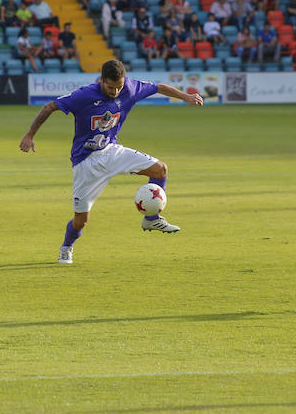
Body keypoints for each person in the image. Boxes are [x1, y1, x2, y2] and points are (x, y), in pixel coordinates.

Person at [19, 60, 203, 264]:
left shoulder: (130, 88)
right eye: (110, 87)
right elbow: (49, 107)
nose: (116, 91)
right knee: (81, 222)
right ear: (102, 80)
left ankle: (151, 219)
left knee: (160, 169)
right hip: (85, 162)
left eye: (119, 87)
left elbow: (158, 87)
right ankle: (66, 247)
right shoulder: (84, 95)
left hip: (111, 151)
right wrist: (30, 134)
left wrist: (186, 96)